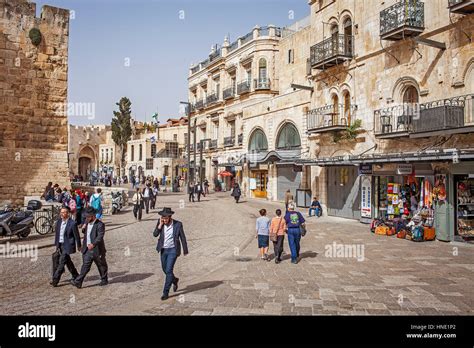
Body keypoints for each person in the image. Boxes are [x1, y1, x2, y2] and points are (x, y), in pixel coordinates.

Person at [153, 207, 189, 301]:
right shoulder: (160, 222)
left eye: (165, 218)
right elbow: (155, 234)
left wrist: (185, 250)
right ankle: (174, 280)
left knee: (169, 270)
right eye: (162, 218)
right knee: (165, 270)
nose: (164, 220)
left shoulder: (178, 224)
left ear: (170, 217)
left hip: (173, 250)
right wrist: (160, 225)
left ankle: (165, 292)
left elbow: (183, 237)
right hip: (163, 250)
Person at [71, 207, 108, 288]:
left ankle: (104, 279)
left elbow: (100, 236)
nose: (86, 218)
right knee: (85, 266)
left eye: (88, 217)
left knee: (101, 265)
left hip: (97, 249)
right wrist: (83, 228)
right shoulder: (87, 223)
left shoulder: (100, 224)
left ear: (93, 216)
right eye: (86, 217)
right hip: (87, 249)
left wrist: (93, 244)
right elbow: (87, 234)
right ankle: (78, 281)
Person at [50, 207, 81, 287]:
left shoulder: (72, 223)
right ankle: (76, 275)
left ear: (67, 213)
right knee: (68, 262)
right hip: (60, 245)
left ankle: (55, 280)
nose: (62, 214)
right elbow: (57, 234)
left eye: (64, 212)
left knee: (61, 263)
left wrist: (79, 245)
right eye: (61, 212)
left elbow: (77, 236)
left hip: (67, 245)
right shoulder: (59, 222)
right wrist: (57, 245)